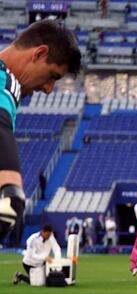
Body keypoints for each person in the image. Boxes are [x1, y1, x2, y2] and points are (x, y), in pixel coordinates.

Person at [0, 20, 81, 243]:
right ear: (38, 54)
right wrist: (11, 190)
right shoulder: (4, 80)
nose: (48, 90)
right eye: (53, 76)